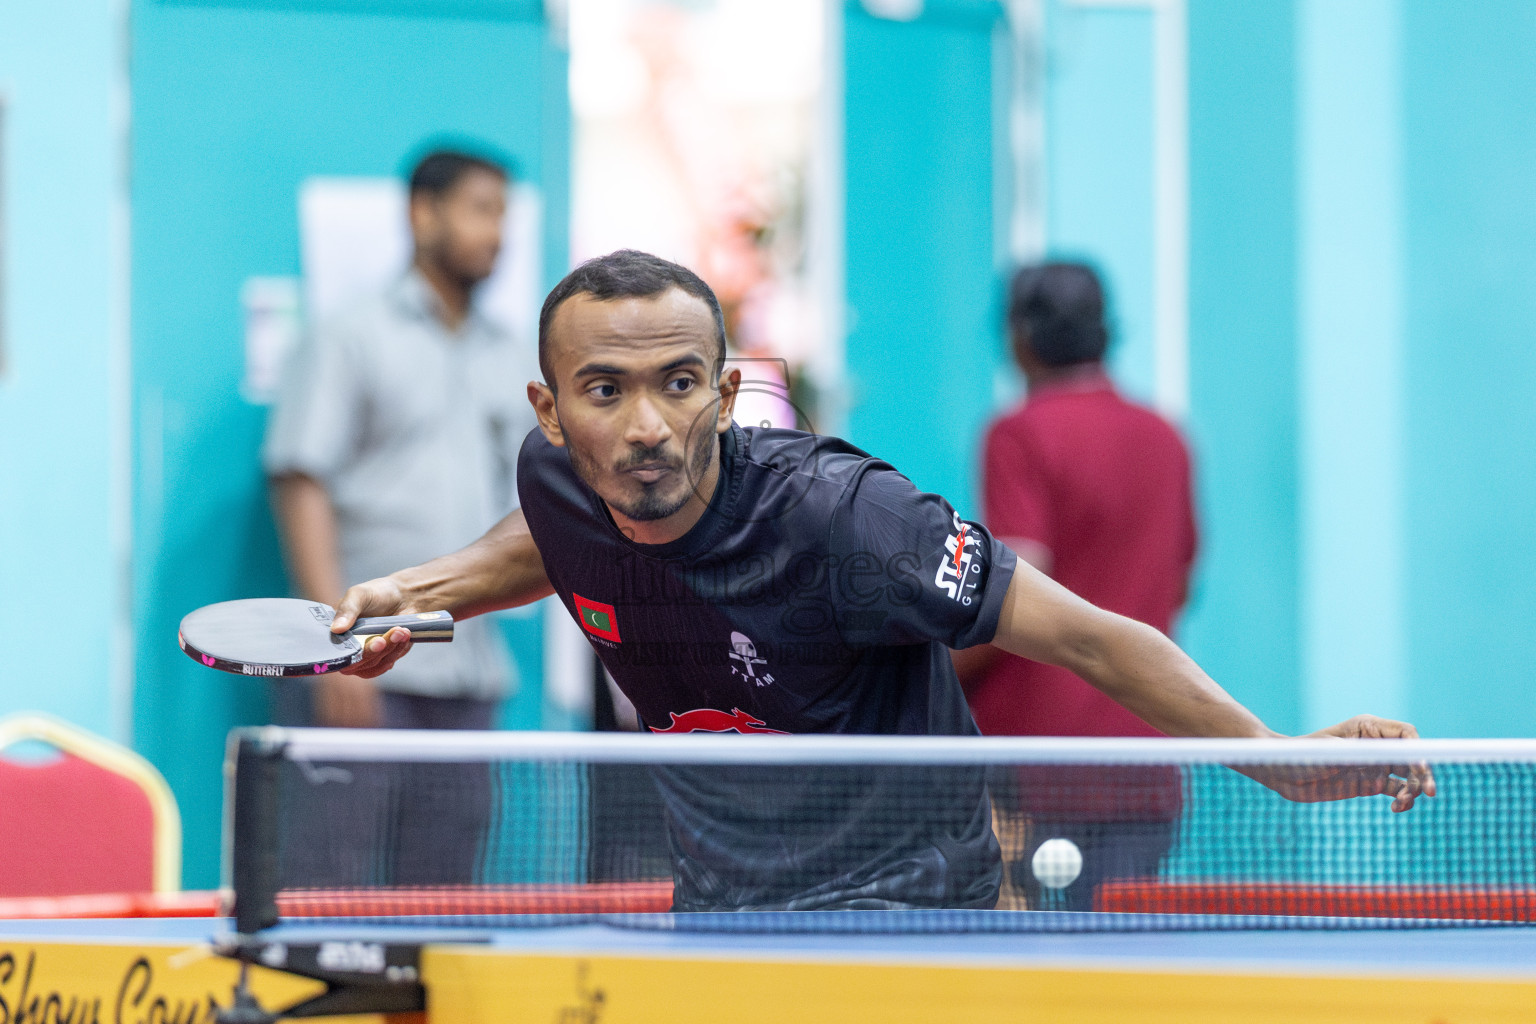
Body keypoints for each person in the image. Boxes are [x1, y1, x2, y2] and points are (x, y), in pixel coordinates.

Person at [327, 249, 1432, 911]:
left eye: (676, 384)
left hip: (906, 908)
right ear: (550, 411)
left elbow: (1092, 634)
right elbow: (552, 542)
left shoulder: (846, 518)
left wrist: (1275, 758)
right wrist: (419, 589)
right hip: (722, 903)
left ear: (724, 389)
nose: (647, 425)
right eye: (604, 391)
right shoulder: (563, 485)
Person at [263, 148, 531, 732]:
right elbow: (299, 481)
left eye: (503, 214)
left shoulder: (510, 354)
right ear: (423, 214)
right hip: (365, 668)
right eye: (481, 210)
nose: (498, 233)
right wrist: (330, 654)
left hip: (470, 671)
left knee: (459, 827)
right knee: (344, 828)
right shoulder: (349, 336)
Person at [956, 262, 1194, 910]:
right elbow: (1177, 585)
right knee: (1117, 975)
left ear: (1019, 340)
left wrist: (930, 672)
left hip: (1032, 766)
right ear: (1106, 332)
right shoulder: (1166, 437)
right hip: (1144, 761)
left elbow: (1015, 586)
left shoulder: (1018, 432)